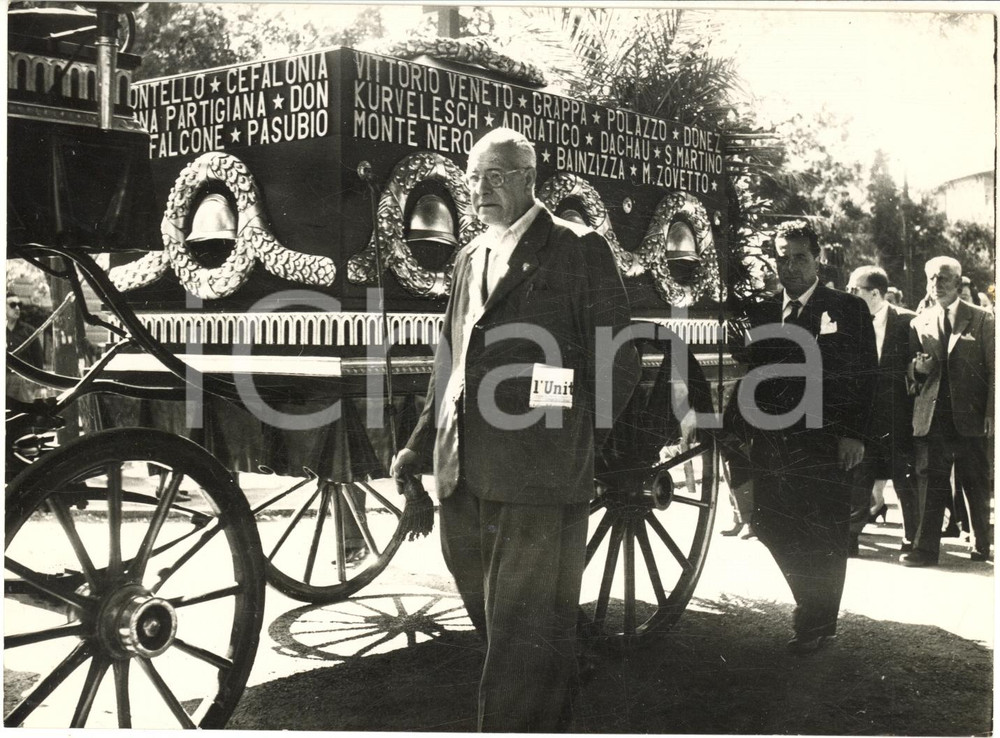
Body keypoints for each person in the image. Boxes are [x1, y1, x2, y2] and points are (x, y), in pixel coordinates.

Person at [390, 127, 639, 731]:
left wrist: (572, 436)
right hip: (462, 470)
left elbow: (619, 359)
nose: (481, 190)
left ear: (530, 177)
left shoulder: (576, 248)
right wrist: (419, 445)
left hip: (539, 474)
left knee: (520, 640)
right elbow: (449, 363)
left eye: (496, 176)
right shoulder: (470, 256)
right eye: (473, 178)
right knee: (506, 624)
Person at [733, 220, 876, 655]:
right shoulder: (760, 313)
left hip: (829, 441)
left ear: (818, 259)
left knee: (824, 530)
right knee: (769, 521)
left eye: (800, 257)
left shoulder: (848, 309)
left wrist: (854, 434)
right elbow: (750, 378)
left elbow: (867, 376)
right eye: (782, 258)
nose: (790, 267)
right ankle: (810, 604)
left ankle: (817, 621)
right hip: (775, 442)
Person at [902, 256, 994, 566]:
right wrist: (916, 368)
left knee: (975, 482)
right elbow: (909, 372)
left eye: (942, 279)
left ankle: (982, 542)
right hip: (932, 418)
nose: (935, 285)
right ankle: (925, 550)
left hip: (971, 415)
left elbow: (995, 371)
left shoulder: (983, 319)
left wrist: (992, 412)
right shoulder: (920, 320)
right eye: (930, 279)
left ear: (957, 281)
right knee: (930, 483)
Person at [845, 266, 917, 556]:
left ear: (874, 293)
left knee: (905, 480)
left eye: (854, 290)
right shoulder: (846, 321)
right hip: (862, 417)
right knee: (858, 477)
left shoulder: (908, 321)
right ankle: (849, 537)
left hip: (898, 417)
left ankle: (912, 538)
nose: (848, 294)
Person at [6, 292, 44, 403]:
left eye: (19, 304)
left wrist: (40, 386)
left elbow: (38, 361)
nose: (17, 308)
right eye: (13, 305)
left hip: (24, 383)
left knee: (25, 416)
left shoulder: (29, 331)